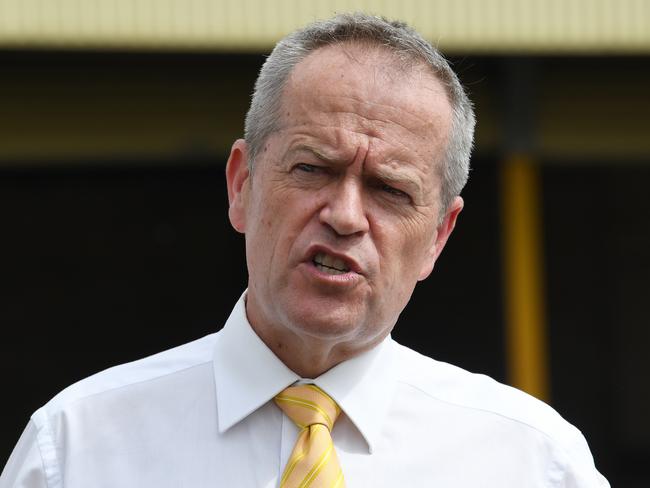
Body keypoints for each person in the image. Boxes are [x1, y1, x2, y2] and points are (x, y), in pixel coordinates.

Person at [1, 13, 608, 488]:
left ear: (439, 237)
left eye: (390, 190)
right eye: (313, 168)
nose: (345, 216)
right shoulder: (75, 449)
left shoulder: (532, 461)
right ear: (242, 185)